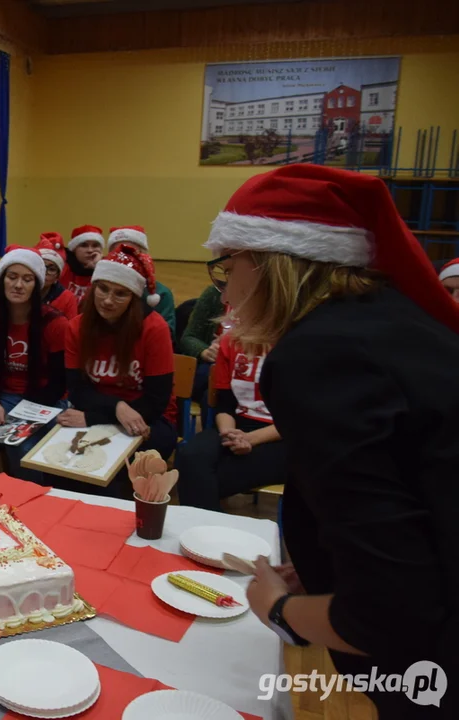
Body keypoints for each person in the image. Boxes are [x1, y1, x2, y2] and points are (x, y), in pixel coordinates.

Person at [205, 165, 459, 719]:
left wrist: (281, 609)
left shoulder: (320, 356)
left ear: (270, 262)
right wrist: (332, 565)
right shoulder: (385, 321)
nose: (224, 284)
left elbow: (390, 614)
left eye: (228, 264)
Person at [60, 245, 178, 497]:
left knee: (117, 473)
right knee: (61, 464)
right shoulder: (76, 327)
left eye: (120, 294)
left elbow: (157, 401)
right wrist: (117, 408)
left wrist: (94, 417)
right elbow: (77, 390)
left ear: (134, 298)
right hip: (100, 412)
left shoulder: (154, 329)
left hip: (149, 419)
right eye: (102, 289)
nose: (108, 300)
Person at [0, 247, 68, 480]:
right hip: (1, 397)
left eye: (27, 279)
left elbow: (60, 381)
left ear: (36, 286)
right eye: (12, 277)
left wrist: (26, 414)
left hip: (41, 400)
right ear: (1, 280)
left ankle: (25, 503)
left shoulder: (55, 323)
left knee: (22, 450)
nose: (18, 285)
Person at [174, 332, 285, 511]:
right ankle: (208, 532)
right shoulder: (231, 341)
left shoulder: (297, 341)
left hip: (282, 437)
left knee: (200, 477)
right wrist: (230, 434)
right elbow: (224, 405)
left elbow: (302, 420)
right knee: (190, 455)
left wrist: (250, 439)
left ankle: (206, 533)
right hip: (236, 426)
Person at [106, 226, 176, 338]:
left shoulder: (161, 293)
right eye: (118, 253)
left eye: (131, 252)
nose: (125, 258)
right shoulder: (101, 290)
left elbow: (166, 335)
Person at [177, 284, 227, 402]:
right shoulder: (214, 293)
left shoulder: (267, 297)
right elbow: (189, 337)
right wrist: (204, 351)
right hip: (212, 365)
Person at [36, 232, 79, 319]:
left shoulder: (68, 298)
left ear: (57, 276)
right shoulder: (24, 290)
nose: (45, 272)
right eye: (41, 266)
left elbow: (70, 329)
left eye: (51, 269)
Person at [60, 225, 105, 306]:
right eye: (84, 245)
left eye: (95, 245)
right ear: (74, 249)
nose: (90, 250)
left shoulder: (107, 270)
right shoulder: (62, 266)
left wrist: (97, 269)